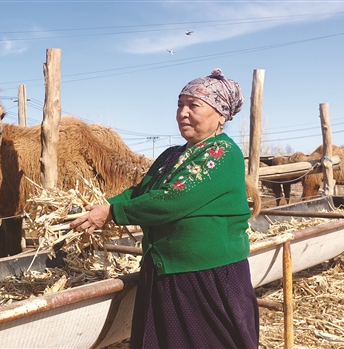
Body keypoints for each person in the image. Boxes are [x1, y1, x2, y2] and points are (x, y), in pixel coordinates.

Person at [70, 68, 259, 348]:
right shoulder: (172, 155)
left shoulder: (222, 153)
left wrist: (112, 214)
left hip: (206, 276)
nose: (183, 113)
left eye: (193, 105)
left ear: (220, 115)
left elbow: (172, 200)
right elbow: (142, 192)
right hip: (166, 272)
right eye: (180, 105)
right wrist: (105, 205)